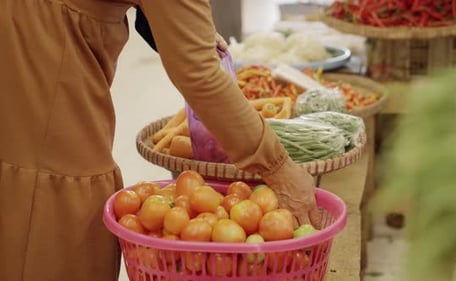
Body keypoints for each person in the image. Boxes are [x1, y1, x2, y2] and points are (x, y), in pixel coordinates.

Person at [0, 1, 321, 281]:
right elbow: (201, 76)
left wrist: (179, 25)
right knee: (51, 211)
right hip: (41, 54)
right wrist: (279, 167)